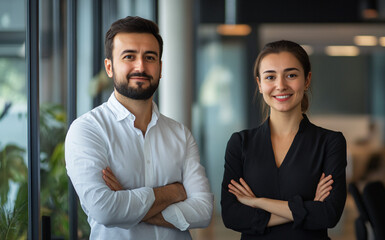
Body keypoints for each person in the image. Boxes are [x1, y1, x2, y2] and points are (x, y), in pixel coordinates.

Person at [65, 16, 213, 240]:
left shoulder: (180, 134)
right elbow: (104, 210)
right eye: (129, 56)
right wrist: (173, 192)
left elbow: (204, 211)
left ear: (160, 67)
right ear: (109, 67)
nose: (141, 66)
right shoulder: (87, 130)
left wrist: (125, 199)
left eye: (150, 57)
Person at [221, 40, 347, 239]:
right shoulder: (240, 143)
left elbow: (329, 215)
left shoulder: (330, 142)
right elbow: (232, 216)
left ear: (306, 80)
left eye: (291, 75)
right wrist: (307, 208)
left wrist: (257, 202)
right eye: (270, 77)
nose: (280, 85)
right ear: (260, 84)